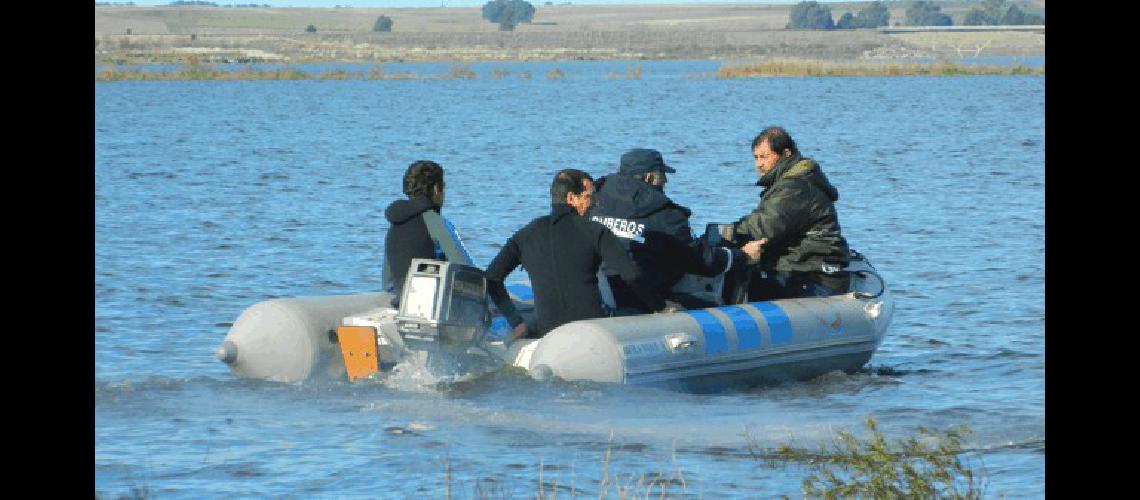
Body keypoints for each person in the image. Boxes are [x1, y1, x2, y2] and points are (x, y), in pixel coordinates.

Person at [485, 168, 674, 343]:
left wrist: (515, 320)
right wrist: (660, 307)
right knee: (638, 310)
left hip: (547, 328)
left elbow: (492, 278)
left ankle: (525, 328)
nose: (594, 202)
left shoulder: (526, 234)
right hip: (595, 325)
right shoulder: (595, 231)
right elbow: (632, 275)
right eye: (589, 196)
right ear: (571, 198)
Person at [588, 148, 742, 311]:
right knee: (711, 298)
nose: (666, 180)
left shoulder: (592, 201)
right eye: (662, 174)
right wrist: (735, 256)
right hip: (644, 297)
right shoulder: (665, 213)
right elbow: (698, 260)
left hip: (602, 290)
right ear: (650, 177)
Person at [730, 127, 851, 299]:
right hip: (803, 267)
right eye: (755, 158)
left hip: (812, 275)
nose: (758, 164)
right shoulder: (792, 181)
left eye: (764, 157)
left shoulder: (796, 187)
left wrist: (728, 232)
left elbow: (765, 226)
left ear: (786, 153)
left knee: (740, 279)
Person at [382, 160, 447, 299]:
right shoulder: (435, 222)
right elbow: (464, 267)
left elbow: (387, 282)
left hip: (402, 302)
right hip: (431, 303)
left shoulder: (394, 226)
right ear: (436, 189)